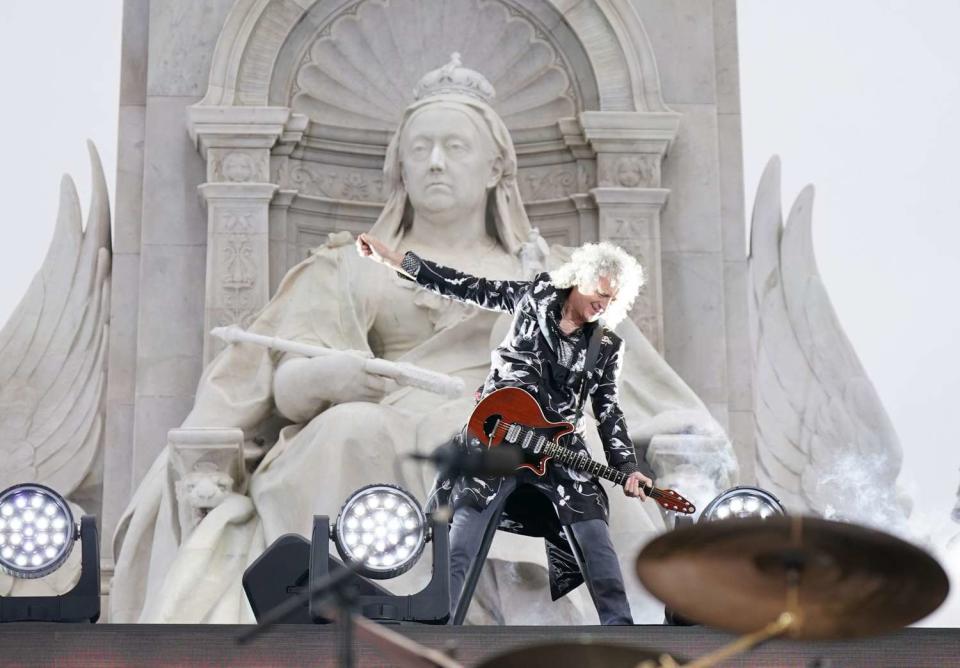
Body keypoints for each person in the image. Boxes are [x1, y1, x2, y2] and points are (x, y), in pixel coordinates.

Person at [110, 55, 725, 625]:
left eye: (454, 147)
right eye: (420, 147)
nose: (434, 161)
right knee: (348, 428)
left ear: (494, 168)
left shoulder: (553, 274)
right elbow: (282, 381)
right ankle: (365, 608)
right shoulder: (348, 266)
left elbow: (633, 387)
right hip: (383, 419)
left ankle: (566, 615)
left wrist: (676, 434)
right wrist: (327, 380)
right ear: (398, 165)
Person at [358, 233, 652, 624]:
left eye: (614, 300)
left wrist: (628, 465)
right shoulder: (534, 297)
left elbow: (608, 408)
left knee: (594, 534)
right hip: (501, 433)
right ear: (580, 278)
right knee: (464, 527)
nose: (604, 304)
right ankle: (439, 623)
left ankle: (622, 635)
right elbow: (465, 286)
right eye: (600, 293)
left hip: (559, 446)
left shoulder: (608, 345)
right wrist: (396, 261)